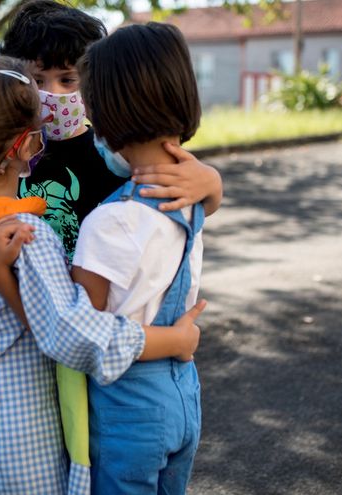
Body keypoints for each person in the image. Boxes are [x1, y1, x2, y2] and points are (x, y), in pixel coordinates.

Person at [0, 56, 205, 495]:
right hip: (19, 430)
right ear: (25, 145)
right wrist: (172, 341)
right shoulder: (26, 236)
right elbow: (71, 332)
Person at [0, 1, 223, 488]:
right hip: (34, 356)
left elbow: (178, 184)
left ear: (97, 92)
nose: (52, 95)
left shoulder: (111, 158)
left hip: (92, 347)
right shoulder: (8, 157)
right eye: (37, 80)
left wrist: (211, 180)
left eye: (68, 80)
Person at [70, 22, 209, 493]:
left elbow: (83, 331)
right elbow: (209, 194)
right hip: (184, 398)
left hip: (128, 411)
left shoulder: (108, 223)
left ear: (102, 118)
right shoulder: (193, 195)